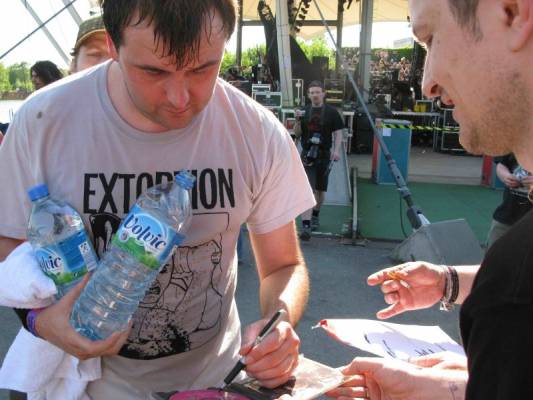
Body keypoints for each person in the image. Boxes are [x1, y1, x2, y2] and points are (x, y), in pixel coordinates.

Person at [0, 0, 315, 398]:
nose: (180, 97)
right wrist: (40, 322)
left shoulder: (255, 131)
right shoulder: (42, 121)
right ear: (112, 45)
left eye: (203, 68)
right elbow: (7, 245)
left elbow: (283, 266)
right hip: (80, 387)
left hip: (210, 384)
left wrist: (279, 321)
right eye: (153, 70)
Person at [331, 0, 533, 399]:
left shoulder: (514, 288)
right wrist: (462, 383)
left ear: (512, 12)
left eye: (431, 39)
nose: (427, 85)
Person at [295, 81, 344, 241]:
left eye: (317, 92)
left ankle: (315, 214)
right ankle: (306, 226)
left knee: (320, 192)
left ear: (323, 94)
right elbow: (297, 134)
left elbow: (338, 133)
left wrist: (336, 151)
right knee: (308, 189)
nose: (315, 95)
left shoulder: (332, 112)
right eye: (312, 92)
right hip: (307, 156)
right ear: (308, 95)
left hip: (324, 155)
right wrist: (296, 120)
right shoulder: (304, 112)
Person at [486, 154, 533, 248]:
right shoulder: (515, 141)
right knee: (494, 257)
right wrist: (506, 176)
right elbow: (501, 164)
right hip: (506, 216)